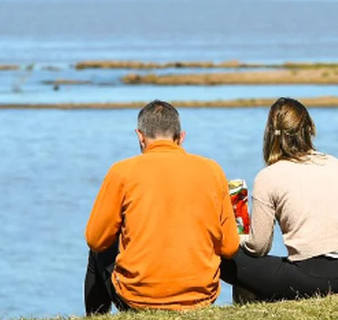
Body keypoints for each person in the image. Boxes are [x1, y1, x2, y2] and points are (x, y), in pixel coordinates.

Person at [84, 100, 240, 314]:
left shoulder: (121, 172)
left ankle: (95, 317)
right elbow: (230, 247)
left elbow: (95, 239)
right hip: (201, 297)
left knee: (97, 252)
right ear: (181, 138)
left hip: (137, 298)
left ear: (140, 136)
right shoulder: (212, 170)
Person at [220, 97, 338, 302]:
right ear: (309, 129)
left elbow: (259, 247)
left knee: (225, 258)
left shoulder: (269, 176)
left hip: (316, 278)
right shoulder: (336, 164)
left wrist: (235, 237)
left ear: (270, 134)